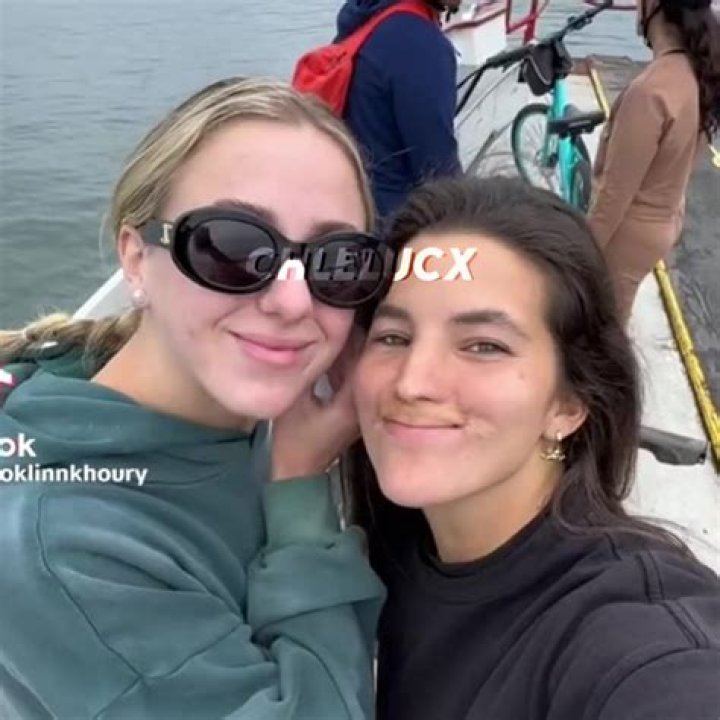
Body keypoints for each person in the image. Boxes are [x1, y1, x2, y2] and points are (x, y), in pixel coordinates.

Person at [0, 77, 388, 719]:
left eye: (337, 261)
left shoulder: (244, 403)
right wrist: (299, 489)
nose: (293, 301)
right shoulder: (63, 549)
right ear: (136, 259)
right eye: (232, 247)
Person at [345, 176, 720, 720]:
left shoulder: (637, 634)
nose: (411, 382)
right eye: (393, 338)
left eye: (483, 346)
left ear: (569, 403)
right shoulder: (400, 547)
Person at [587, 0, 720, 322]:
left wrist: (583, 252)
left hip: (627, 234)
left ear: (654, 7)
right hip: (666, 219)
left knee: (606, 327)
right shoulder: (698, 73)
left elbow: (615, 192)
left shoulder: (649, 91)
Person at [334, 0, 463, 220]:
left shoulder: (368, 16)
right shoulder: (420, 44)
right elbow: (437, 167)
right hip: (396, 219)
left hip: (353, 204)